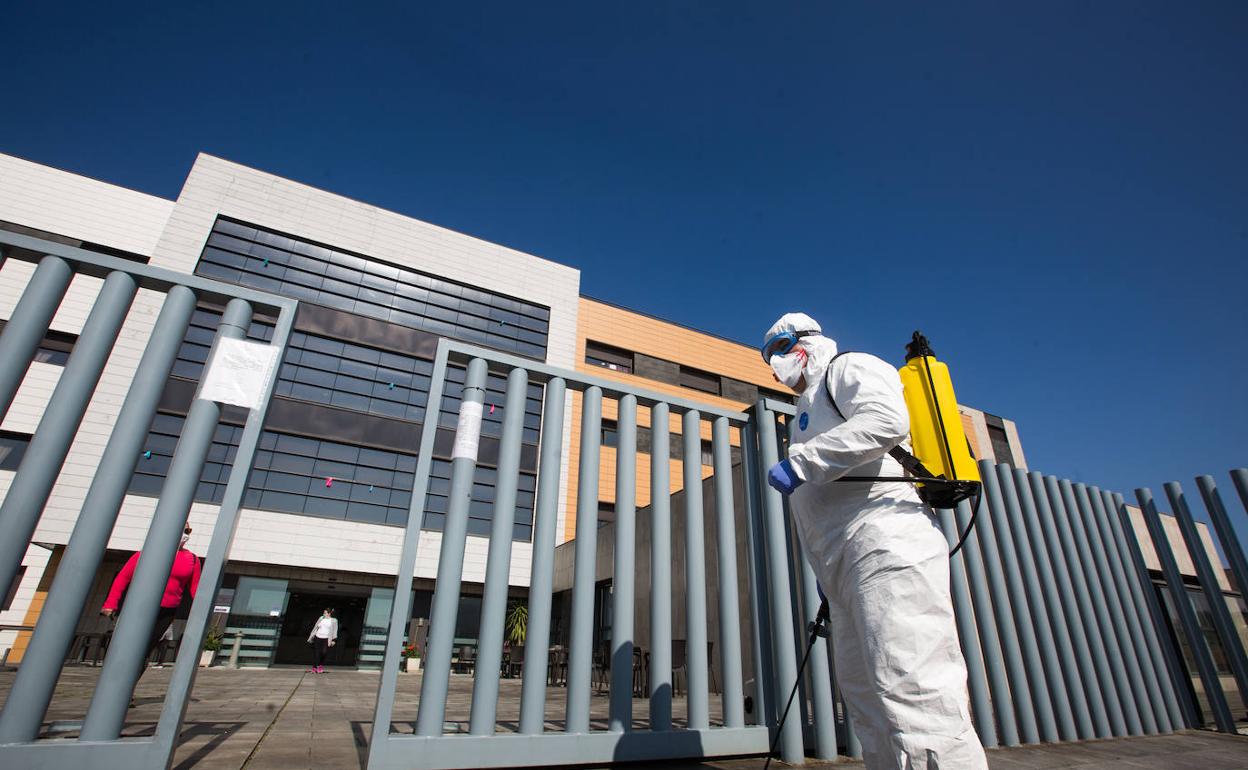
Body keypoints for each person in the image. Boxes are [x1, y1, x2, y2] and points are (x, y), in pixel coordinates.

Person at [761, 312, 987, 770]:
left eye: (780, 350)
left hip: (886, 544)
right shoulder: (806, 410)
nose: (775, 365)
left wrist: (803, 463)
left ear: (806, 342)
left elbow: (886, 419)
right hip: (843, 569)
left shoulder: (847, 368)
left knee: (913, 685)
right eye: (769, 358)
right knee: (866, 699)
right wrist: (828, 575)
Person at [102, 525, 201, 667]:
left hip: (167, 611)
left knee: (145, 650)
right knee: (128, 646)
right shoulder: (148, 553)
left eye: (187, 531)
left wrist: (202, 611)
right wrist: (110, 604)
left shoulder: (192, 559)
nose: (185, 534)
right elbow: (123, 577)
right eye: (182, 529)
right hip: (140, 607)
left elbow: (195, 588)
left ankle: (132, 678)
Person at [307, 608, 338, 673]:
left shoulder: (334, 620)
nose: (323, 614)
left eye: (325, 613)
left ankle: (320, 665)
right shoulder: (321, 618)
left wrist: (334, 640)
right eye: (323, 613)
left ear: (329, 614)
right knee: (316, 653)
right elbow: (316, 627)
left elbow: (335, 630)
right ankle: (314, 667)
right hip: (318, 637)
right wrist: (312, 635)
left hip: (326, 638)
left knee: (324, 652)